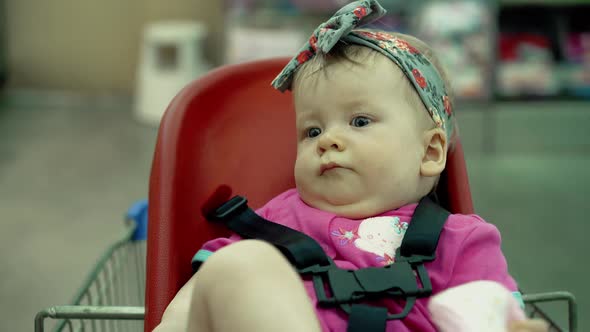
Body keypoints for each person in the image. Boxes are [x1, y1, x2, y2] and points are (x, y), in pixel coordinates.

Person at [154, 1, 548, 331]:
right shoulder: (276, 222)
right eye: (311, 131)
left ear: (429, 153)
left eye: (359, 122)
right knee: (235, 266)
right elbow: (201, 297)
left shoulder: (460, 240)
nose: (328, 140)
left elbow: (497, 315)